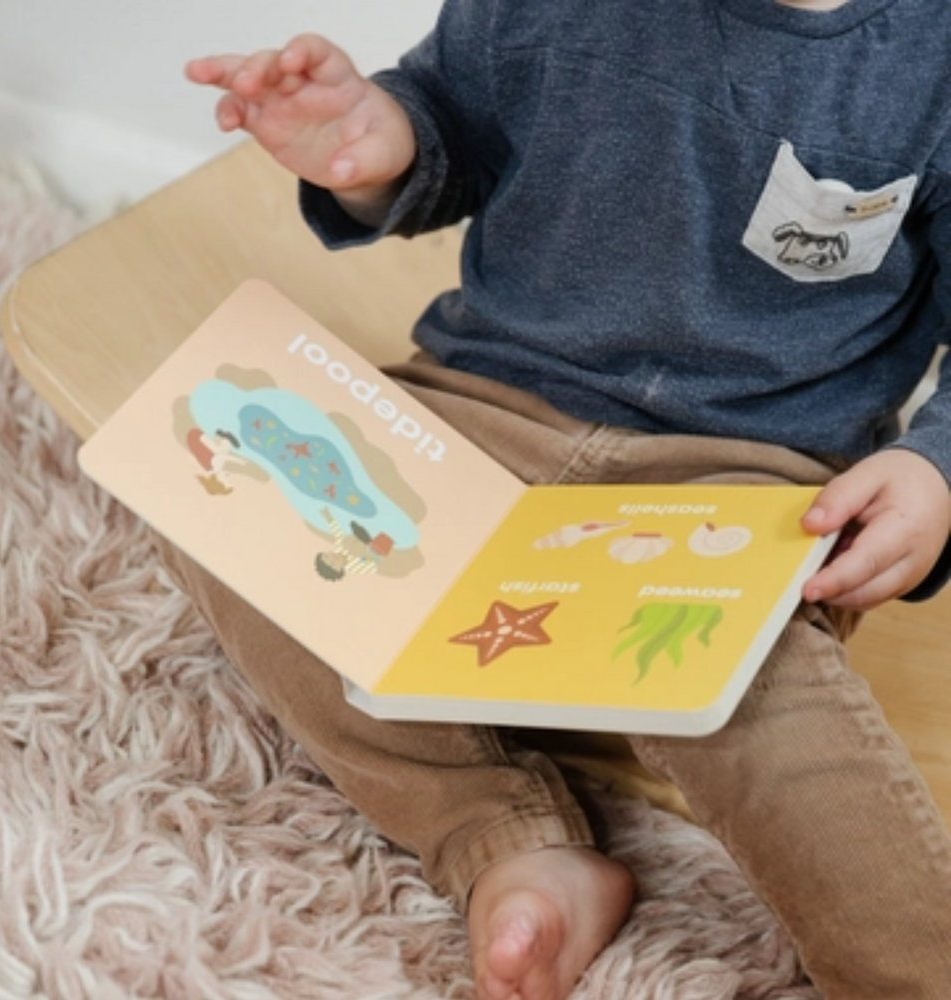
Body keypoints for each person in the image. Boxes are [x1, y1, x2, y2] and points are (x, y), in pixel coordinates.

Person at [180, 1, 951, 997]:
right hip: (478, 414)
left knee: (764, 712)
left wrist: (934, 466)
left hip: (738, 485)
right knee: (226, 496)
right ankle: (503, 832)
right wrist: (377, 140)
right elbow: (450, 126)